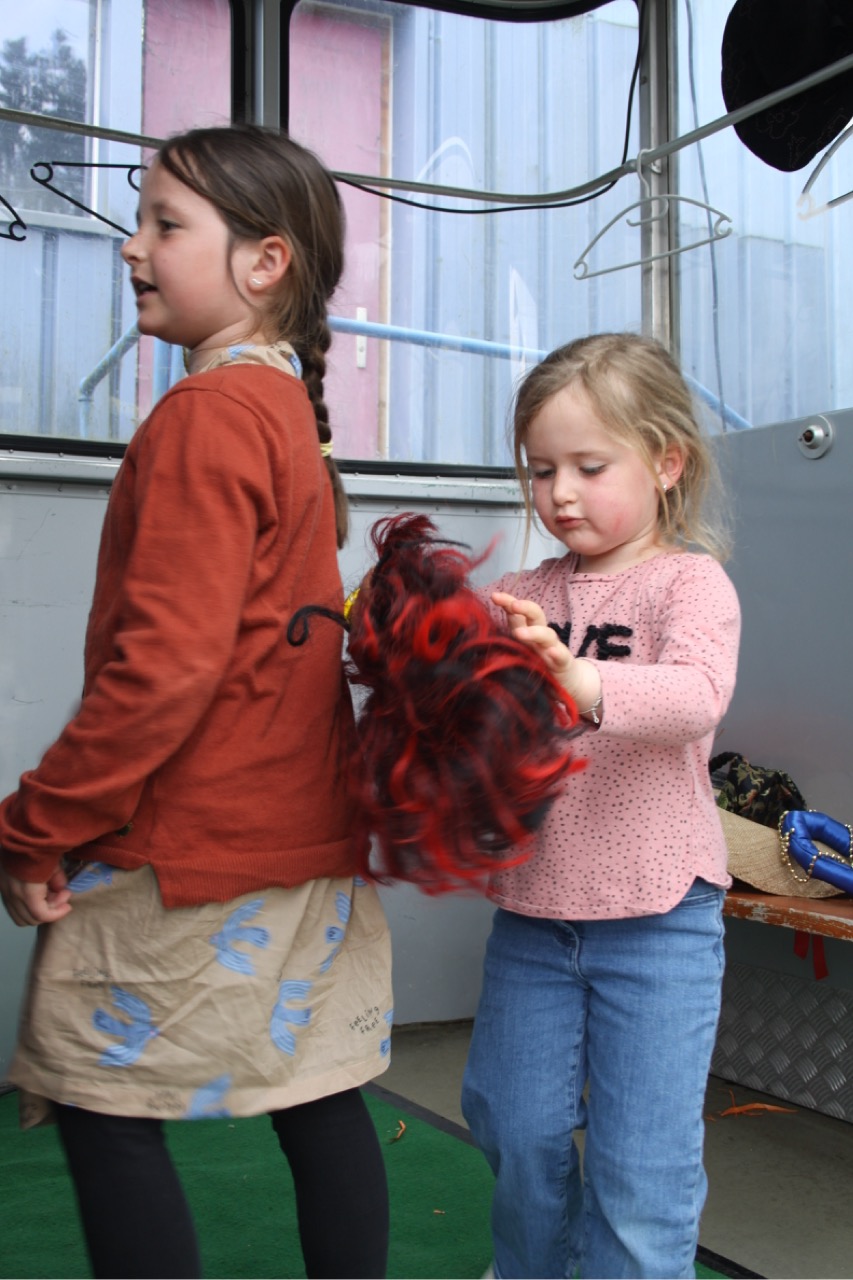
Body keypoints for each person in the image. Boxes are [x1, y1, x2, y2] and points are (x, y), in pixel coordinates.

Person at [0, 124, 392, 1280]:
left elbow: (162, 672)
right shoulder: (283, 416)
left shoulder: (207, 416)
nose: (132, 246)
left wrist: (36, 822)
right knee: (314, 1087)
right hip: (304, 839)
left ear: (265, 262)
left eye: (165, 223)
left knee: (96, 1097)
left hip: (189, 848)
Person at [460, 332, 741, 1279]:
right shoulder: (519, 594)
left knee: (641, 1165)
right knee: (511, 1125)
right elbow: (460, 698)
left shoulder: (687, 582)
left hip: (660, 922)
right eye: (541, 470)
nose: (560, 493)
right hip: (533, 919)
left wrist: (578, 678)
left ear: (666, 463)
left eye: (589, 466)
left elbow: (695, 696)